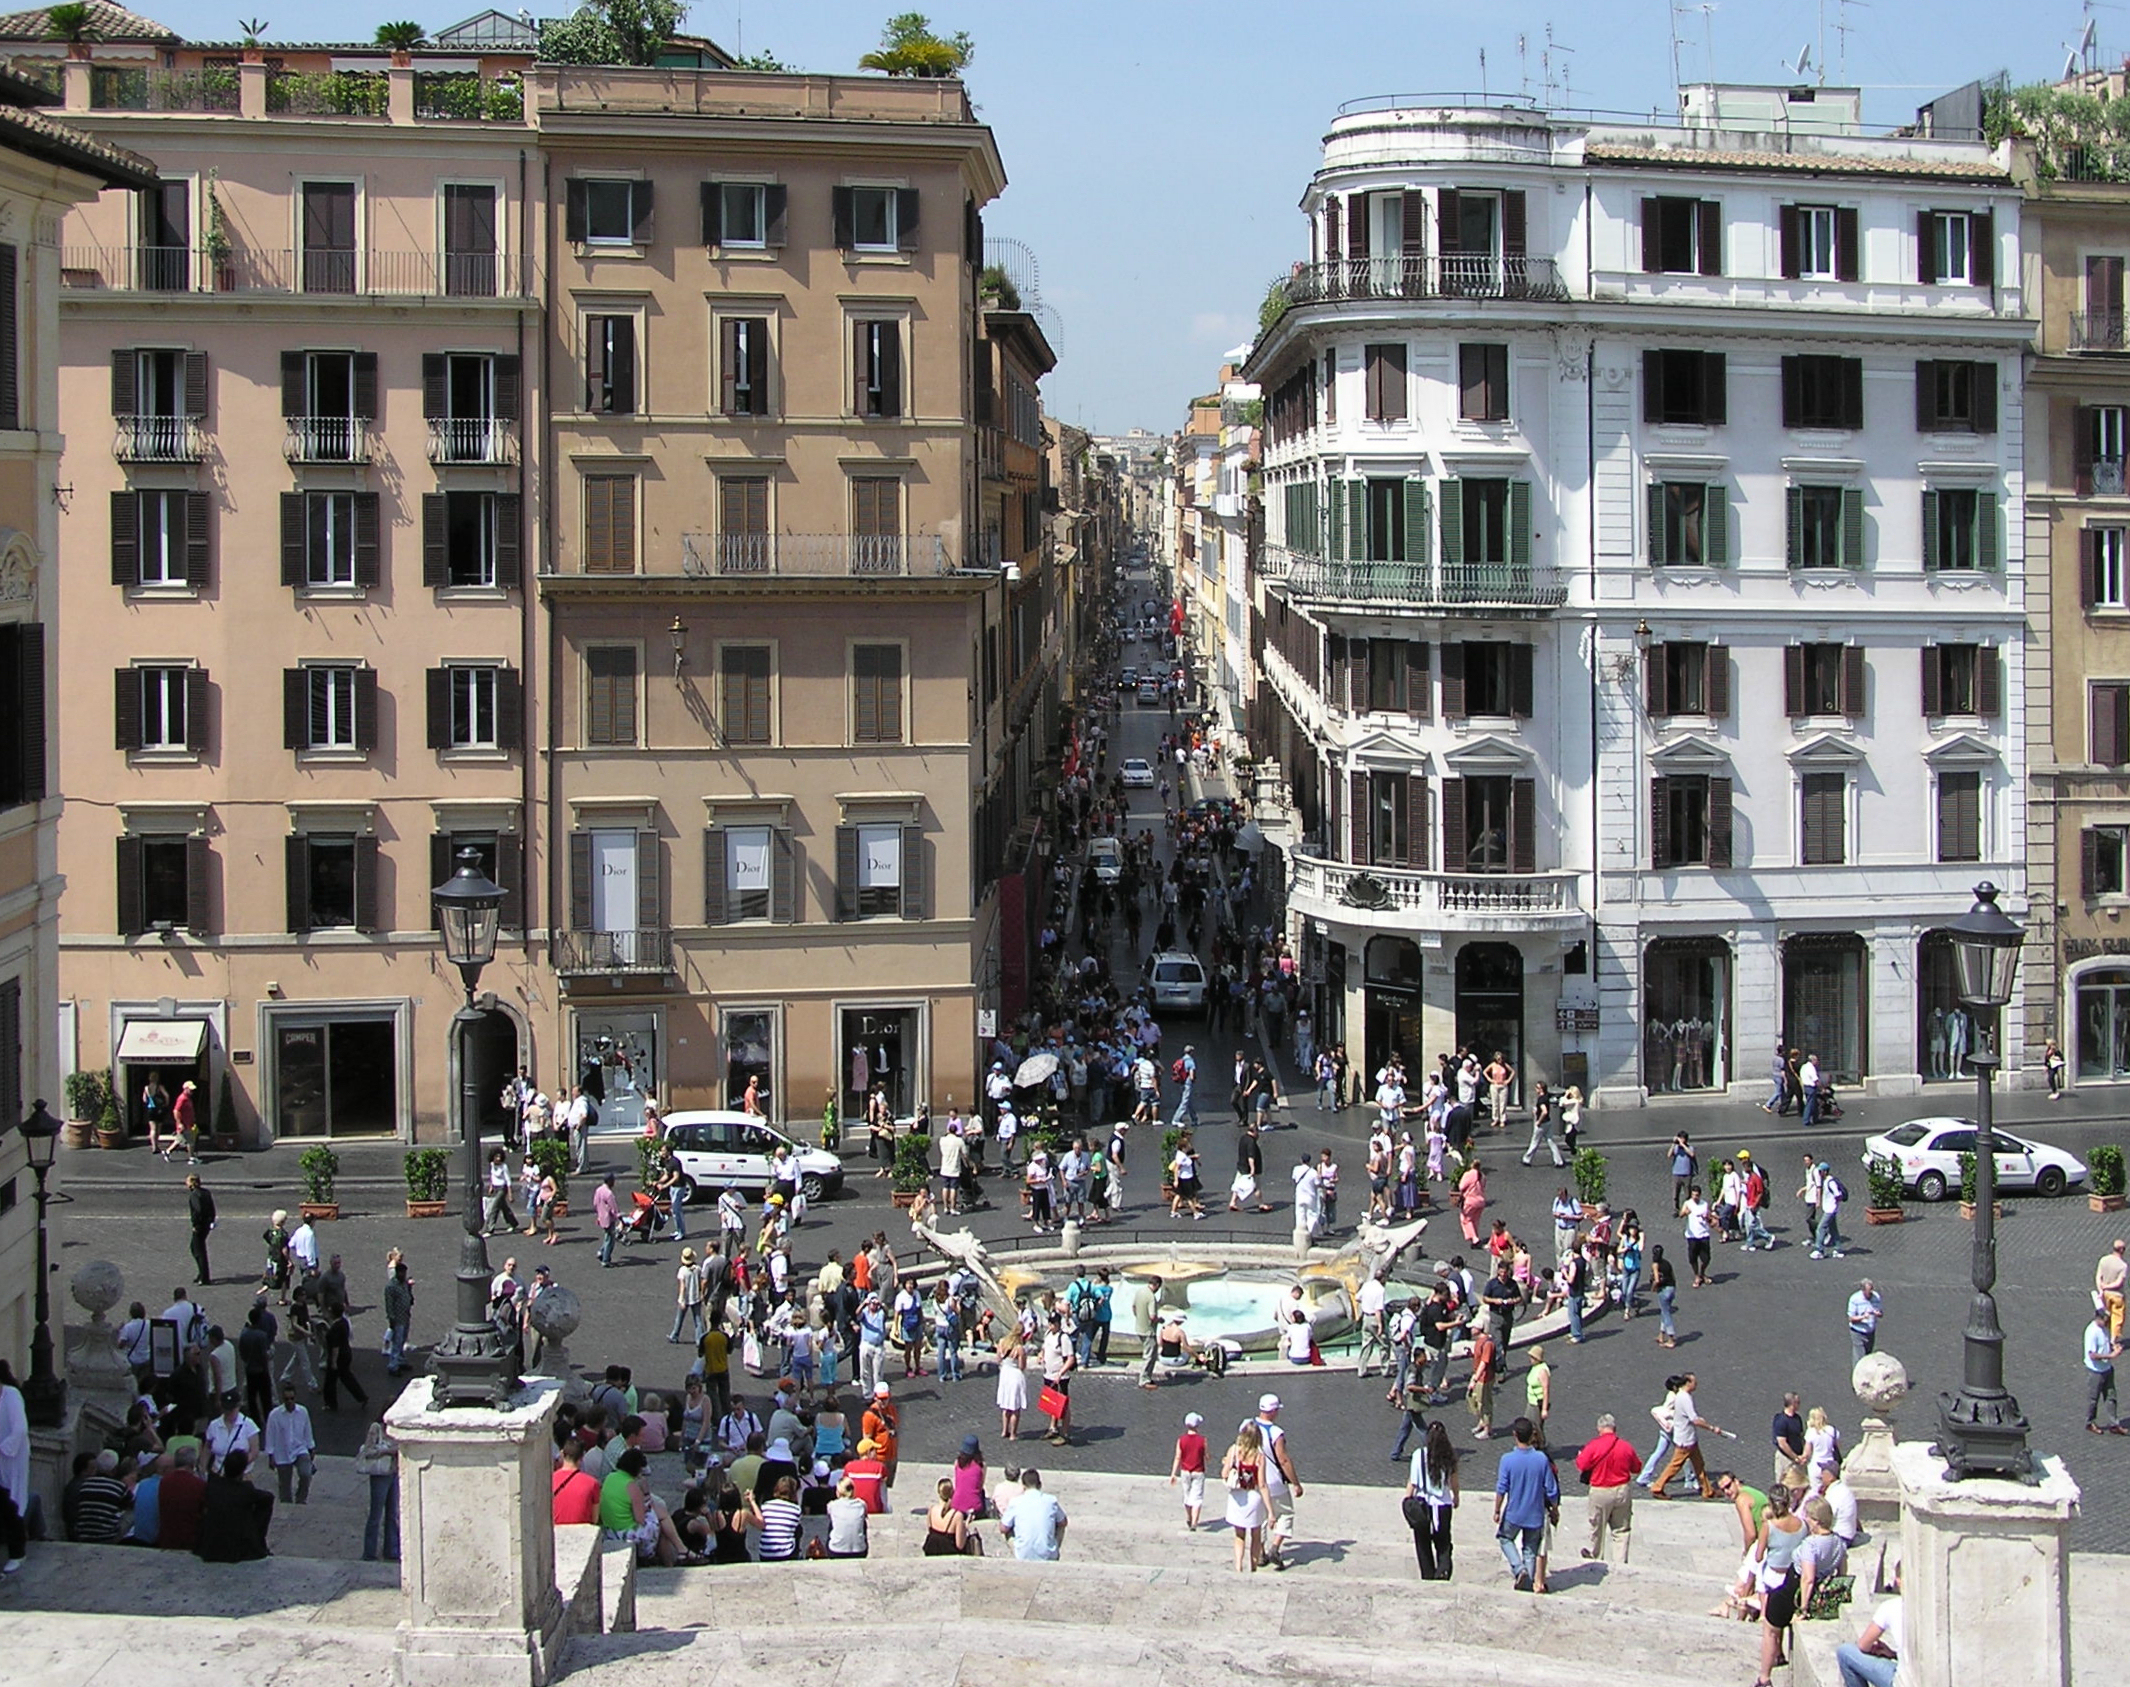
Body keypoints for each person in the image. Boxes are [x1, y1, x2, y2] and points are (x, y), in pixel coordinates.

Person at [1492, 1416, 1560, 1593]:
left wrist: (1497, 1510)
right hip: (1535, 1514)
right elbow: (1551, 1490)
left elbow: (1501, 1488)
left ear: (1514, 1435)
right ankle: (1527, 1581)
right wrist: (1554, 1508)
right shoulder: (1541, 1459)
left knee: (1505, 1538)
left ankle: (1518, 1569)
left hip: (1514, 1512)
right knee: (1530, 1550)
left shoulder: (1507, 1459)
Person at [1575, 1412, 1638, 1563]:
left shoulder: (1593, 1446)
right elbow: (1636, 1467)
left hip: (1600, 1491)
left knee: (1597, 1528)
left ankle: (1596, 1558)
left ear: (1599, 1428)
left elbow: (1581, 1464)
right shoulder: (1625, 1446)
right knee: (1621, 1531)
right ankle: (1620, 1563)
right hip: (1622, 1490)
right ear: (1614, 1428)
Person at [1649, 1373, 1723, 1498]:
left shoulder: (1681, 1396)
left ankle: (1707, 1490)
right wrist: (1711, 1428)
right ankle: (1657, 1487)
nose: (1696, 1384)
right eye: (1694, 1382)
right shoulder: (1685, 1398)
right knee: (1675, 1465)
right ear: (1688, 1383)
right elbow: (1694, 1419)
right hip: (1685, 1440)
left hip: (1688, 1438)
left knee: (1699, 1464)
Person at [1403, 1419, 1458, 1580]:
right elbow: (1454, 1480)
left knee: (1422, 1543)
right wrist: (1456, 1497)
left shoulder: (1418, 1455)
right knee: (1444, 1543)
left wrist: (1407, 1500)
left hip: (1422, 1505)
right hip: (1443, 1505)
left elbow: (1412, 1482)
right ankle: (1443, 1570)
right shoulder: (1449, 1456)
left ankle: (1427, 1574)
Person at [1252, 1393, 1303, 1567]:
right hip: (1274, 1482)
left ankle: (1260, 1553)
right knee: (1285, 1513)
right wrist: (1296, 1483)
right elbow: (1283, 1460)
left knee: (1261, 1517)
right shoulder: (1275, 1432)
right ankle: (1275, 1547)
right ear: (1273, 1411)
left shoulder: (1247, 1426)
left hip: (1254, 1481)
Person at [195, 1449, 273, 1562]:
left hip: (209, 1545)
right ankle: (257, 1541)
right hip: (236, 1548)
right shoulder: (246, 1490)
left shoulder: (213, 1486)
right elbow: (267, 1498)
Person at [1834, 1564, 1902, 1687]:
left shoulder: (1891, 1607)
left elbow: (1863, 1645)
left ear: (1898, 1581)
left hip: (1901, 1681)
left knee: (1844, 1652)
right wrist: (1893, 1654)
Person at [1220, 1421, 1270, 1572]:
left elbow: (1224, 1474)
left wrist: (1225, 1464)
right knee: (1256, 1535)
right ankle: (1253, 1567)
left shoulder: (1234, 1450)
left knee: (1239, 1535)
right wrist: (1270, 1511)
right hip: (1254, 1497)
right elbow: (1262, 1484)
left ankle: (1238, 1566)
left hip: (1237, 1497)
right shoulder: (1260, 1456)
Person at [356, 1408, 399, 1561]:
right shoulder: (376, 1428)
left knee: (392, 1514)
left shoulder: (397, 1428)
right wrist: (386, 1451)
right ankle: (369, 1552)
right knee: (376, 1513)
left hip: (394, 1472)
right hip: (380, 1475)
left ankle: (392, 1550)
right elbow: (368, 1451)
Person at [264, 1383, 316, 1505]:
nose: (289, 1402)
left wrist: (311, 1447)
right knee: (284, 1485)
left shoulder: (303, 1412)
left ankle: (301, 1498)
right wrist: (270, 1455)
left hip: (300, 1449)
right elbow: (270, 1435)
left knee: (306, 1473)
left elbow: (307, 1430)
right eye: (286, 1399)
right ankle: (286, 1503)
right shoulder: (274, 1415)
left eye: (292, 1399)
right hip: (282, 1450)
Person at [1000, 1467, 1066, 1561]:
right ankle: (1053, 1551)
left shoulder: (1015, 1502)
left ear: (1023, 1486)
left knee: (1008, 1529)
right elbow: (1063, 1522)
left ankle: (1019, 1553)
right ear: (1040, 1485)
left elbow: (1003, 1528)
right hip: (1047, 1555)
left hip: (1023, 1555)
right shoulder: (1051, 1501)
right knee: (1060, 1525)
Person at [2086, 1304, 2125, 1433]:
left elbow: (2106, 1342)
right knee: (2093, 1399)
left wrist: (2114, 1347)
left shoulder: (2104, 1328)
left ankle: (2114, 1424)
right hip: (2096, 1371)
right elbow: (2092, 1355)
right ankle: (2090, 1422)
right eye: (2104, 1320)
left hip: (2107, 1369)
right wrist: (2110, 1355)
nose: (2106, 1323)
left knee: (2111, 1397)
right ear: (2098, 1318)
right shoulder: (2092, 1332)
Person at [1169, 1410, 1208, 1529]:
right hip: (1198, 1471)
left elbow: (1177, 1457)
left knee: (1187, 1496)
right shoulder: (1202, 1440)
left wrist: (1173, 1474)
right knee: (1197, 1498)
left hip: (1185, 1471)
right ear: (1197, 1426)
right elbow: (1207, 1456)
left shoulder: (1181, 1440)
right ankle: (1195, 1522)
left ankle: (1189, 1517)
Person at [825, 1478, 871, 1559]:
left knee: (832, 1523)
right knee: (862, 1522)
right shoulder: (862, 1504)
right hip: (859, 1551)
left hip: (836, 1551)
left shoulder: (832, 1505)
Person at [1772, 1393, 1809, 1492]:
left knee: (1801, 1484)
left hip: (1798, 1457)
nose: (1799, 1405)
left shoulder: (1797, 1418)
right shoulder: (1781, 1420)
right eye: (1798, 1402)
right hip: (1785, 1459)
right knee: (1783, 1485)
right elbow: (1782, 1443)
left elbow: (1801, 1437)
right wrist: (1795, 1457)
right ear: (1792, 1403)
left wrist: (1803, 1455)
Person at [186, 1174, 217, 1286]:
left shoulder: (195, 1195)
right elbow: (212, 1208)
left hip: (199, 1226)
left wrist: (195, 1224)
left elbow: (197, 1211)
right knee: (199, 1249)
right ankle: (202, 1274)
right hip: (206, 1224)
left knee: (197, 1250)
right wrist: (211, 1220)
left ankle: (204, 1276)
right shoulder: (206, 1192)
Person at [2098, 1239, 2127, 1341]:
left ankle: (2104, 1337)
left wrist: (2101, 1289)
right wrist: (2107, 1286)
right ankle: (2114, 1339)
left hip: (2105, 1295)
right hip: (2117, 1295)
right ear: (2122, 1250)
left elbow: (2098, 1277)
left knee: (2106, 1316)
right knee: (2117, 1318)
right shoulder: (2122, 1266)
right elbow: (2118, 1283)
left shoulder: (2104, 1260)